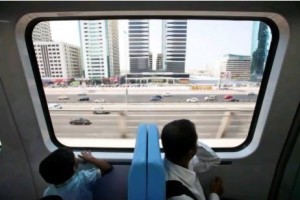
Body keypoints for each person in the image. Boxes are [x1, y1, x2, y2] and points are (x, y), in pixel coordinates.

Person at [161, 119, 223, 200]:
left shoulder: (181, 162)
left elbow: (213, 161)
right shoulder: (179, 196)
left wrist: (191, 143)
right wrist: (214, 194)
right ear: (190, 153)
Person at [39, 147, 113, 200]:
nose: (77, 158)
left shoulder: (48, 193)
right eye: (75, 158)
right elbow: (107, 167)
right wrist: (90, 159)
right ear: (74, 167)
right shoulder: (82, 179)